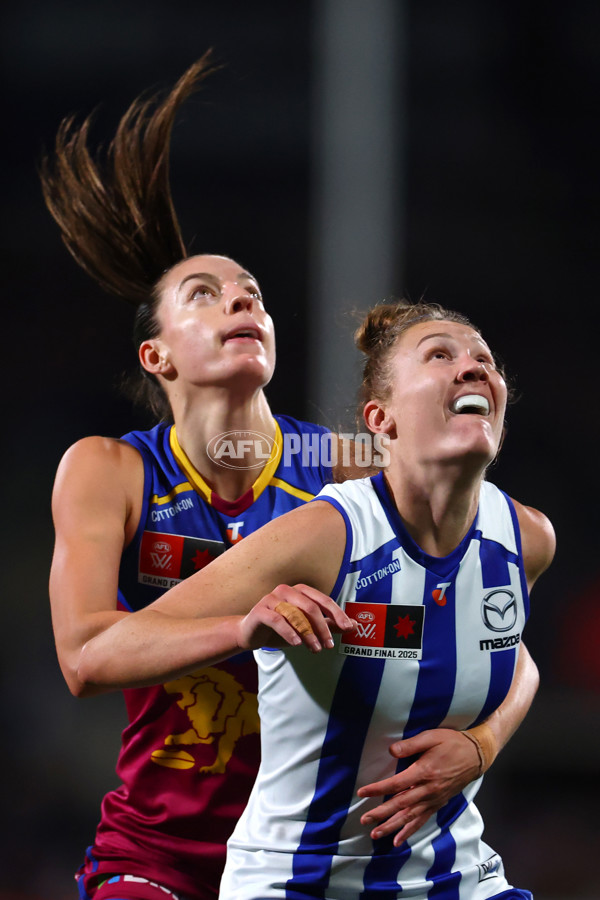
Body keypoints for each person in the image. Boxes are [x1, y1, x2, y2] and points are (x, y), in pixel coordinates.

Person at [44, 55, 542, 900]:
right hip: (165, 846)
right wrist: (245, 624)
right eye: (205, 294)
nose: (243, 302)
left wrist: (483, 742)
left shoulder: (344, 468)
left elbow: (496, 624)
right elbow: (84, 658)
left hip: (329, 846)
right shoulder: (112, 468)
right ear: (156, 356)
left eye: (253, 293)